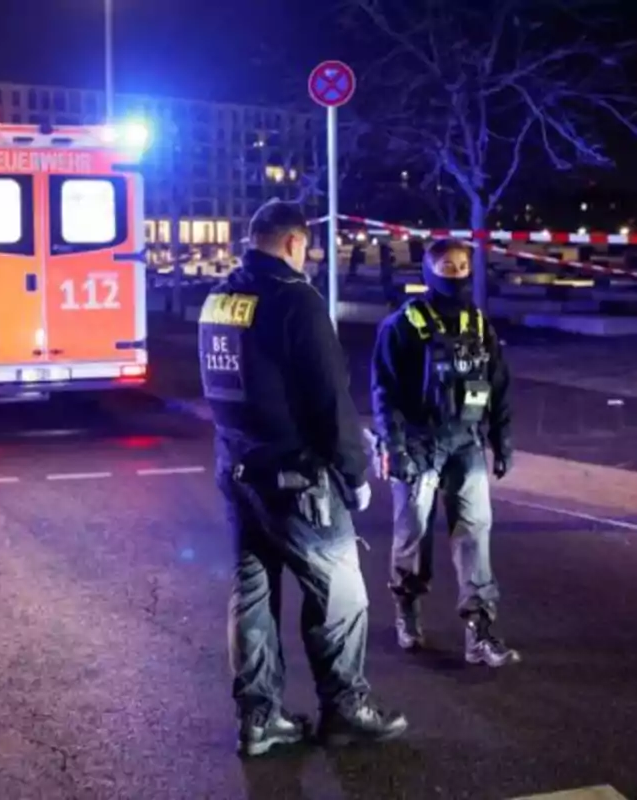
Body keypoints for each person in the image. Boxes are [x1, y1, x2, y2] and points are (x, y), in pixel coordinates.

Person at [200, 199, 408, 757]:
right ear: (294, 242)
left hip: (240, 471)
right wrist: (354, 473)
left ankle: (259, 719)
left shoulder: (221, 297)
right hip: (297, 477)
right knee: (341, 596)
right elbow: (329, 398)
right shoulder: (297, 301)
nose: (310, 257)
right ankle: (345, 709)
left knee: (252, 597)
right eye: (308, 247)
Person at [370, 239, 519, 667]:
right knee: (414, 534)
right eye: (445, 265)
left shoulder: (478, 324)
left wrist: (501, 440)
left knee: (475, 534)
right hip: (418, 444)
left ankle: (480, 631)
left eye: (461, 265)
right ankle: (407, 608)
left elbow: (499, 384)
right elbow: (385, 392)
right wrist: (394, 446)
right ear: (428, 271)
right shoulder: (402, 324)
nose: (455, 273)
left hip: (465, 443)